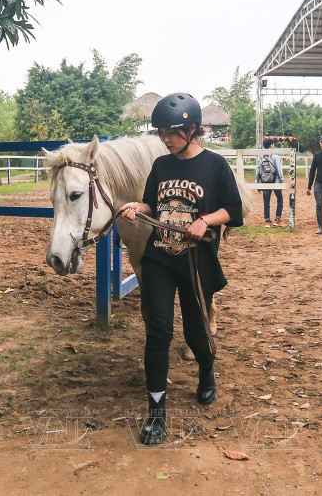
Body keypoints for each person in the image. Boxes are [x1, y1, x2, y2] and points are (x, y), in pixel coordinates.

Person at [119, 93, 244, 446]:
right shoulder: (161, 165)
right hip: (160, 257)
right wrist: (136, 205)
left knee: (193, 333)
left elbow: (233, 211)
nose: (166, 139)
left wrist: (206, 221)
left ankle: (206, 369)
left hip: (196, 261)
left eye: (172, 132)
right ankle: (156, 414)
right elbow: (152, 203)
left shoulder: (215, 165)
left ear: (192, 129)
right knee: (158, 332)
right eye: (161, 133)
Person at [258, 138, 284, 227]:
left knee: (266, 200)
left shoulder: (260, 156)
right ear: (271, 145)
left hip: (265, 181)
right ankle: (277, 219)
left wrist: (257, 182)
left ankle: (267, 221)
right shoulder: (275, 155)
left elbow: (258, 170)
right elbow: (278, 168)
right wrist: (281, 179)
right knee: (280, 199)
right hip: (275, 180)